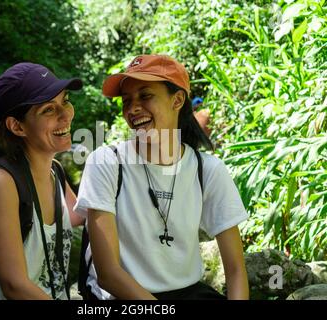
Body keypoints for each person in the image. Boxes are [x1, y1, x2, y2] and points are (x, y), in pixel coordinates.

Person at [74, 54, 249, 300]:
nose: (133, 108)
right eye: (126, 100)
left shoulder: (207, 170)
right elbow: (109, 275)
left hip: (188, 292)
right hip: (121, 295)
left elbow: (235, 270)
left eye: (145, 96)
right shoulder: (107, 162)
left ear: (177, 100)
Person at [0, 62, 85, 299]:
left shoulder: (54, 172)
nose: (66, 114)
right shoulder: (1, 182)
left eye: (65, 101)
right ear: (17, 126)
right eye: (49, 110)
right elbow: (14, 285)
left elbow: (82, 214)